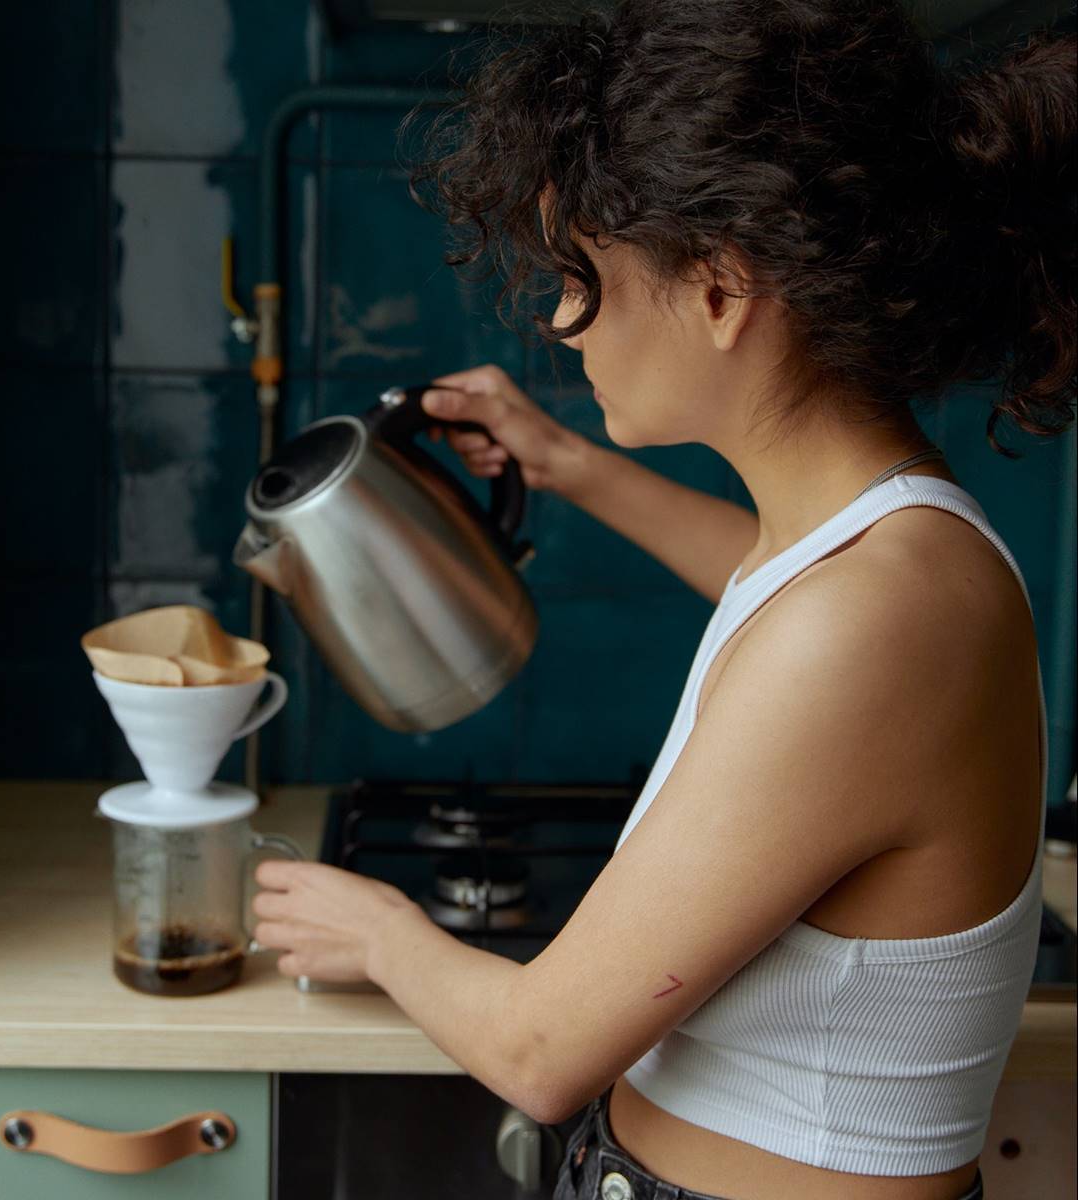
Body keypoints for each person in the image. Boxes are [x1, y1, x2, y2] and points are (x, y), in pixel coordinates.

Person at [251, 2, 1076, 1197]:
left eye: (584, 275)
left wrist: (379, 931)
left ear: (722, 288)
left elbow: (541, 1051)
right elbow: (765, 575)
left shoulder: (878, 617)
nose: (561, 321)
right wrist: (563, 459)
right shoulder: (875, 555)